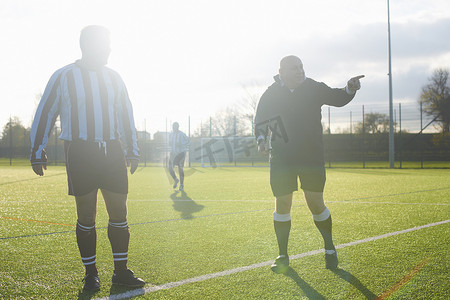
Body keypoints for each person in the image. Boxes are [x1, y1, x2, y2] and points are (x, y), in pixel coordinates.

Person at [30, 25, 145, 291]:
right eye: (105, 44)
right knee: (86, 215)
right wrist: (38, 149)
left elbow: (126, 112)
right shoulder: (64, 76)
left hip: (112, 150)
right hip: (81, 151)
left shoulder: (114, 77)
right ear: (89, 46)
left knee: (119, 212)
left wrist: (133, 148)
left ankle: (121, 271)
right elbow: (46, 112)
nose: (109, 49)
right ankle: (91, 273)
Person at [254, 55, 364, 274]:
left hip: (310, 157)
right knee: (282, 204)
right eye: (295, 68)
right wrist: (260, 140)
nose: (300, 70)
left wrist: (350, 88)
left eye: (301, 67)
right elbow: (260, 120)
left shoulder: (313, 87)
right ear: (282, 71)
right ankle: (283, 255)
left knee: (315, 204)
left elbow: (337, 97)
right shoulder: (271, 93)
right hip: (281, 158)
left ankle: (329, 247)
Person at [168, 122, 190, 191]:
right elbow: (170, 143)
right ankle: (176, 179)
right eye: (173, 127)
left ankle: (181, 185)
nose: (174, 128)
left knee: (180, 168)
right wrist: (170, 144)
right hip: (173, 154)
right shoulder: (171, 135)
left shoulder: (182, 134)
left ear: (178, 127)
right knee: (170, 168)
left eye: (175, 127)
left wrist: (181, 144)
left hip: (181, 153)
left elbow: (188, 142)